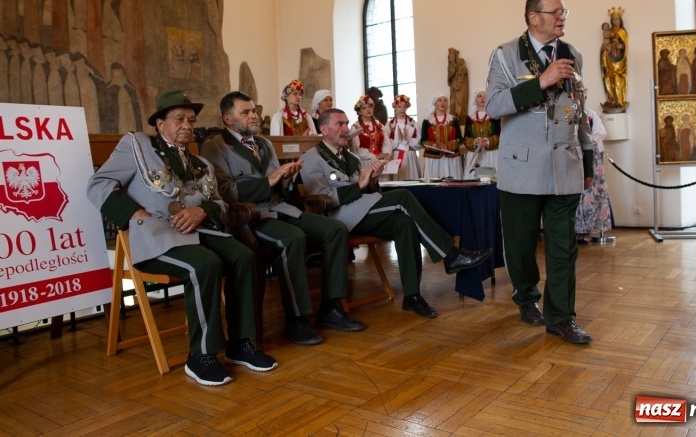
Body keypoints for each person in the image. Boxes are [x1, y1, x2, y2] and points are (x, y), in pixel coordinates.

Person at [86, 89, 276, 386]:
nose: (187, 125)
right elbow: (98, 184)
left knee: (244, 257)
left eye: (191, 119)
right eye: (179, 119)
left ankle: (240, 343)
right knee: (205, 265)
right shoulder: (137, 146)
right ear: (159, 123)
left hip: (199, 230)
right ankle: (201, 356)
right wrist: (134, 215)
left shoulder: (201, 164)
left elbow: (221, 205)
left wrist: (202, 211)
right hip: (157, 234)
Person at [201, 91, 364, 346]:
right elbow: (222, 191)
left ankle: (331, 308)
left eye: (253, 110)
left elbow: (281, 187)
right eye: (245, 112)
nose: (253, 115)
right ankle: (296, 319)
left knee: (336, 229)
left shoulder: (263, 144)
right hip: (249, 217)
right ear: (228, 119)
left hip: (281, 209)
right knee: (293, 238)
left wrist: (288, 177)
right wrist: (268, 181)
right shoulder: (215, 146)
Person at [299, 108, 492, 318]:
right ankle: (451, 255)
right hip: (338, 218)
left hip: (361, 210)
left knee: (404, 223)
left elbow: (365, 190)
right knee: (403, 197)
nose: (347, 129)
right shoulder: (311, 158)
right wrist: (359, 186)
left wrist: (372, 179)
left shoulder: (351, 157)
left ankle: (412, 296)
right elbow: (322, 200)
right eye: (340, 124)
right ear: (324, 129)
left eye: (347, 123)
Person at [485, 0, 594, 344]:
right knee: (521, 245)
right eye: (556, 11)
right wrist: (542, 81)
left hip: (566, 166)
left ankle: (561, 317)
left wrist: (587, 156)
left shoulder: (572, 54)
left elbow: (578, 109)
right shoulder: (505, 55)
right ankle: (526, 295)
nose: (563, 16)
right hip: (522, 169)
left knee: (564, 248)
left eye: (565, 11)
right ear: (534, 17)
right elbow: (495, 105)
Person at [575, 108, 613, 243]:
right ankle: (576, 231)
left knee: (591, 195)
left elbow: (600, 134)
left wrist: (589, 142)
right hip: (573, 159)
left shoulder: (590, 114)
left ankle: (590, 230)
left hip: (592, 158)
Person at [420, 92, 463, 179]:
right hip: (433, 159)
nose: (442, 103)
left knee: (452, 184)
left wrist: (447, 145)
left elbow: (459, 139)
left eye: (445, 101)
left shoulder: (453, 120)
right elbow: (423, 140)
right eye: (439, 100)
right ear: (434, 103)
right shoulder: (427, 121)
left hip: (451, 159)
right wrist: (433, 145)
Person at [463, 89, 501, 176]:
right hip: (475, 154)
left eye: (485, 96)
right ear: (475, 100)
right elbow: (465, 138)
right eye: (479, 96)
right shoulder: (470, 118)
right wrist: (475, 142)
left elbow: (499, 134)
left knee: (491, 179)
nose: (482, 98)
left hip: (492, 154)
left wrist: (487, 141)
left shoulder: (495, 116)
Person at [386, 94, 421, 180]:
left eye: (404, 107)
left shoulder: (413, 123)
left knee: (412, 179)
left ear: (407, 107)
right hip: (396, 155)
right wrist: (397, 140)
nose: (402, 109)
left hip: (410, 155)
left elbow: (419, 142)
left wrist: (407, 139)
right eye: (399, 106)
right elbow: (386, 143)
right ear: (395, 107)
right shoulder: (390, 124)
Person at [351, 94, 392, 167]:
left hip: (381, 161)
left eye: (370, 107)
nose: (368, 109)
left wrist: (386, 154)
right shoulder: (356, 127)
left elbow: (386, 143)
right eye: (364, 108)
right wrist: (373, 156)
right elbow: (355, 149)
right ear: (359, 112)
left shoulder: (379, 125)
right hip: (365, 163)